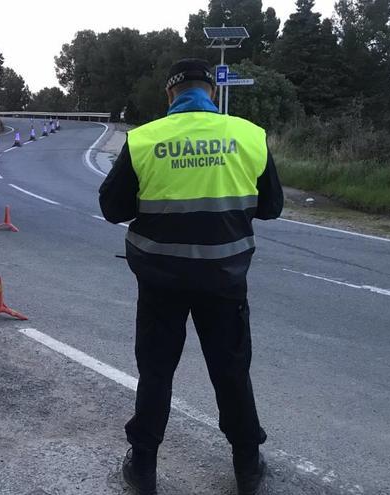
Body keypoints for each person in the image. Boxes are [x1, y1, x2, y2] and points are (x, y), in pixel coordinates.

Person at [98, 58, 283, 495]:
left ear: (170, 94)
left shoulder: (145, 139)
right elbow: (272, 207)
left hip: (161, 281)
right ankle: (247, 466)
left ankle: (143, 467)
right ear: (211, 93)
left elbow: (112, 208)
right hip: (225, 279)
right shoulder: (249, 135)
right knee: (231, 371)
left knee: (156, 372)